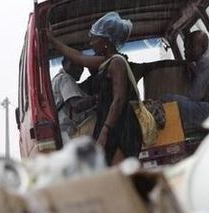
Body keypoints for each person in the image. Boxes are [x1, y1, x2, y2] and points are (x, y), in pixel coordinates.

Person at [47, 12, 142, 164]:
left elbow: (118, 100)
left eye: (94, 39)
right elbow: (78, 57)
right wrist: (52, 40)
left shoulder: (117, 63)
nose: (91, 44)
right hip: (109, 125)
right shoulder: (106, 62)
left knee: (120, 175)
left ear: (106, 41)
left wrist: (105, 131)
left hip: (119, 127)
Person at [163, 30, 209, 130]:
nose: (185, 51)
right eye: (185, 47)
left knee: (167, 98)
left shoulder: (206, 62)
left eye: (190, 47)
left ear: (202, 47)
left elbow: (195, 96)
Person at [51, 57, 97, 142]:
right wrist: (97, 99)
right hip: (70, 134)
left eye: (81, 66)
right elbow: (76, 105)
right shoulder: (65, 78)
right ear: (64, 64)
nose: (79, 69)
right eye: (74, 65)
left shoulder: (56, 79)